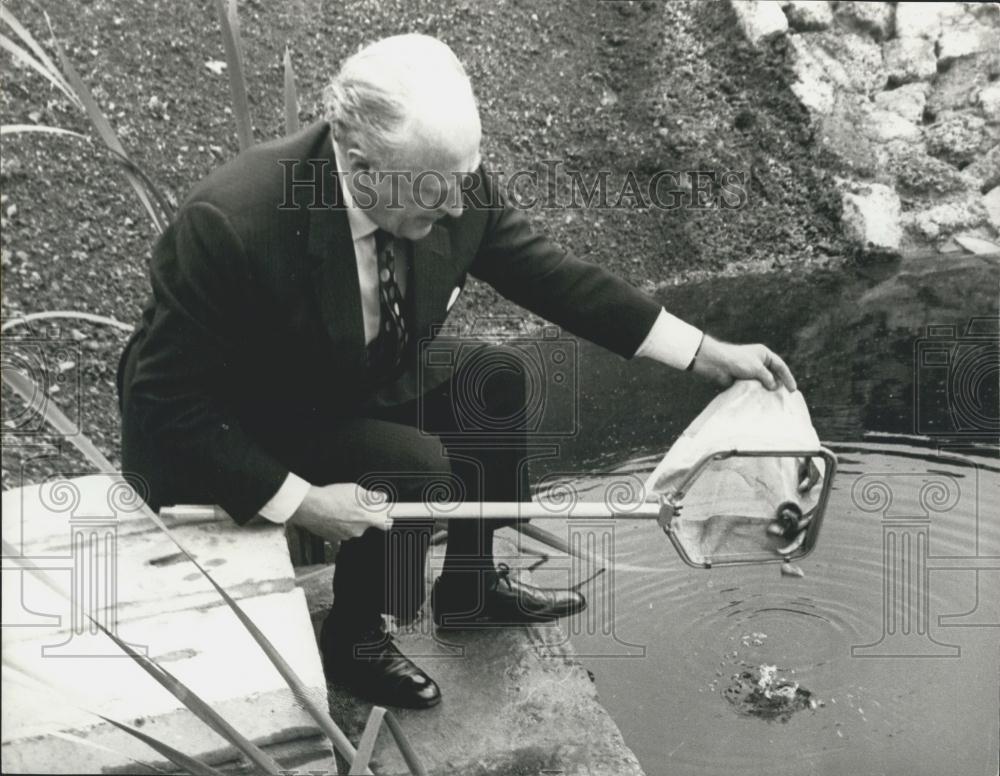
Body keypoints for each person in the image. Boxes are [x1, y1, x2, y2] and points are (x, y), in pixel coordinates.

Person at [117, 34, 796, 710]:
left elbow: (560, 282)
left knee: (493, 379)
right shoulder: (234, 223)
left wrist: (710, 352)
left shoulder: (444, 181)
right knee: (409, 464)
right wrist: (302, 501)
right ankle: (355, 639)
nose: (456, 210)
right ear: (358, 162)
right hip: (246, 421)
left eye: (462, 183)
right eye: (435, 192)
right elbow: (162, 404)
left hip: (349, 375)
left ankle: (470, 590)